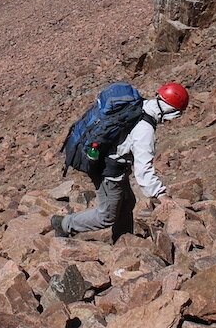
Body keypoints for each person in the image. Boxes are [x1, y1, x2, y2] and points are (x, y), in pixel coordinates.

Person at [52, 83, 189, 242]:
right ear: (171, 111)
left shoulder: (139, 106)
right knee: (106, 216)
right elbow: (143, 169)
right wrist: (161, 195)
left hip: (109, 162)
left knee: (127, 201)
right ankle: (64, 224)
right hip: (109, 170)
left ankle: (124, 241)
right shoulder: (145, 129)